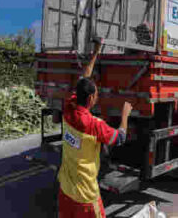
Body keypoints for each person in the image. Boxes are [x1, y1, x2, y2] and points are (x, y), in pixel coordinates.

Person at [57, 39, 132, 218]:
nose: (98, 97)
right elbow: (120, 138)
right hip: (86, 196)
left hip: (66, 189)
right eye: (97, 94)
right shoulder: (93, 125)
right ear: (91, 99)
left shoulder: (68, 106)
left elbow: (84, 78)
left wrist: (96, 52)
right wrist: (125, 116)